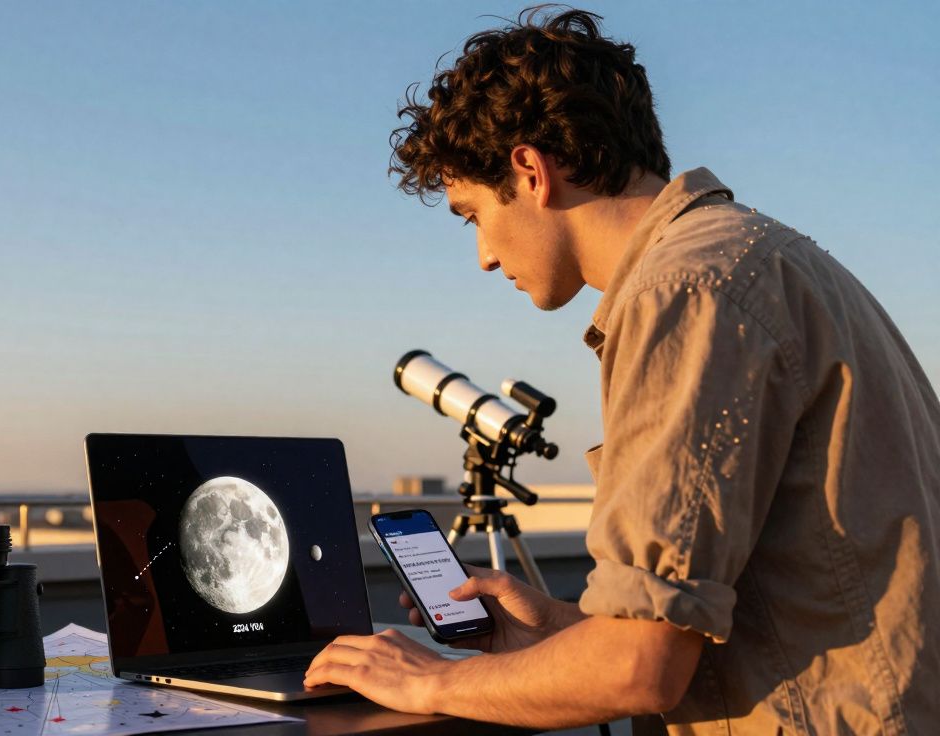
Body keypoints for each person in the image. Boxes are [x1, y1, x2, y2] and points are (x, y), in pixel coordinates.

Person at [303, 7, 940, 734]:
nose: (482, 255)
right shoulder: (765, 259)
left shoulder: (687, 291)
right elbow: (746, 611)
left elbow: (641, 667)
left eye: (471, 214)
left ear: (531, 171)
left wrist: (436, 682)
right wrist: (562, 632)